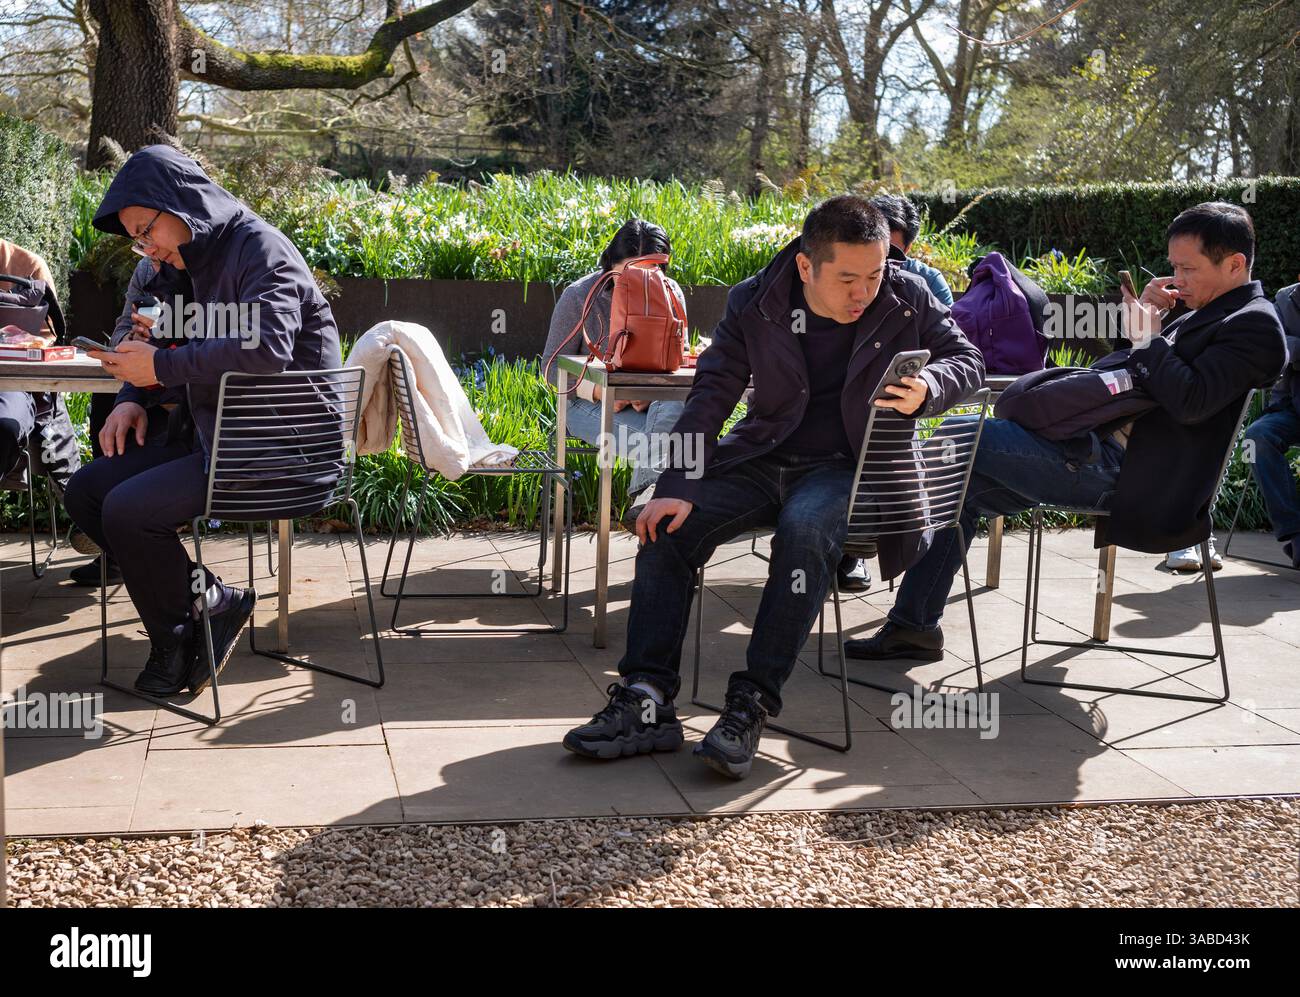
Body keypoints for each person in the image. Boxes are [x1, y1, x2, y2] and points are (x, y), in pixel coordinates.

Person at [563, 195, 985, 778]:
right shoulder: (757, 299)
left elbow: (967, 359)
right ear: (807, 265)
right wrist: (676, 481)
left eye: (874, 274)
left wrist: (931, 385)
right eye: (848, 279)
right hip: (764, 456)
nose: (864, 292)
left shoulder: (906, 295)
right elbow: (712, 393)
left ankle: (750, 704)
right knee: (667, 525)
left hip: (853, 466)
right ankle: (646, 699)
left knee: (805, 532)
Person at [845, 202, 1286, 664]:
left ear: (1234, 264)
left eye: (1187, 268)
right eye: (1174, 266)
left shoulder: (1255, 325)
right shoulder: (1202, 310)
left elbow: (1190, 401)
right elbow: (1132, 377)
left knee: (961, 436)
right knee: (964, 488)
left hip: (1132, 477)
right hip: (1092, 448)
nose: (1176, 277)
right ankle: (913, 628)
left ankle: (862, 525)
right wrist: (1148, 322)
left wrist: (1149, 339)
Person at [63, 145, 343, 698]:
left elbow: (267, 348)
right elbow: (145, 339)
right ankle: (209, 601)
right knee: (87, 492)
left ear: (180, 203)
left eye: (147, 231)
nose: (146, 247)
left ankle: (175, 640)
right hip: (215, 437)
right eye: (137, 239)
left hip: (280, 448)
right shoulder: (175, 265)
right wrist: (131, 395)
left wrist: (160, 367)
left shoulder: (260, 249)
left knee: (129, 511)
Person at [542, 219, 686, 524]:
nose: (637, 283)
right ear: (610, 265)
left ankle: (648, 503)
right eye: (627, 275)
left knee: (677, 417)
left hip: (654, 407)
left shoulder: (671, 294)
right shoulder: (580, 296)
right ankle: (654, 502)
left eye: (647, 274)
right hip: (586, 405)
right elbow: (551, 368)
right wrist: (601, 391)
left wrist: (647, 395)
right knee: (684, 448)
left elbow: (678, 361)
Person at [68, 255, 192, 586]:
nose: (150, 252)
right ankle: (116, 537)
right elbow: (124, 327)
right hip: (154, 393)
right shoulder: (146, 269)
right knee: (109, 404)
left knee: (102, 492)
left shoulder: (212, 269)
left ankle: (128, 527)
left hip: (194, 403)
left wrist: (163, 347)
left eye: (147, 234)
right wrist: (131, 344)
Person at [1242, 280, 1300, 568]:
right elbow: (1271, 345)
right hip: (1290, 406)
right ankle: (1295, 534)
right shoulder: (1283, 301)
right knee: (1254, 439)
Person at [869, 193, 954, 307]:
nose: (878, 259)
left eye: (889, 252)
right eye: (871, 248)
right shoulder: (847, 272)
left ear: (907, 249)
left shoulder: (930, 281)